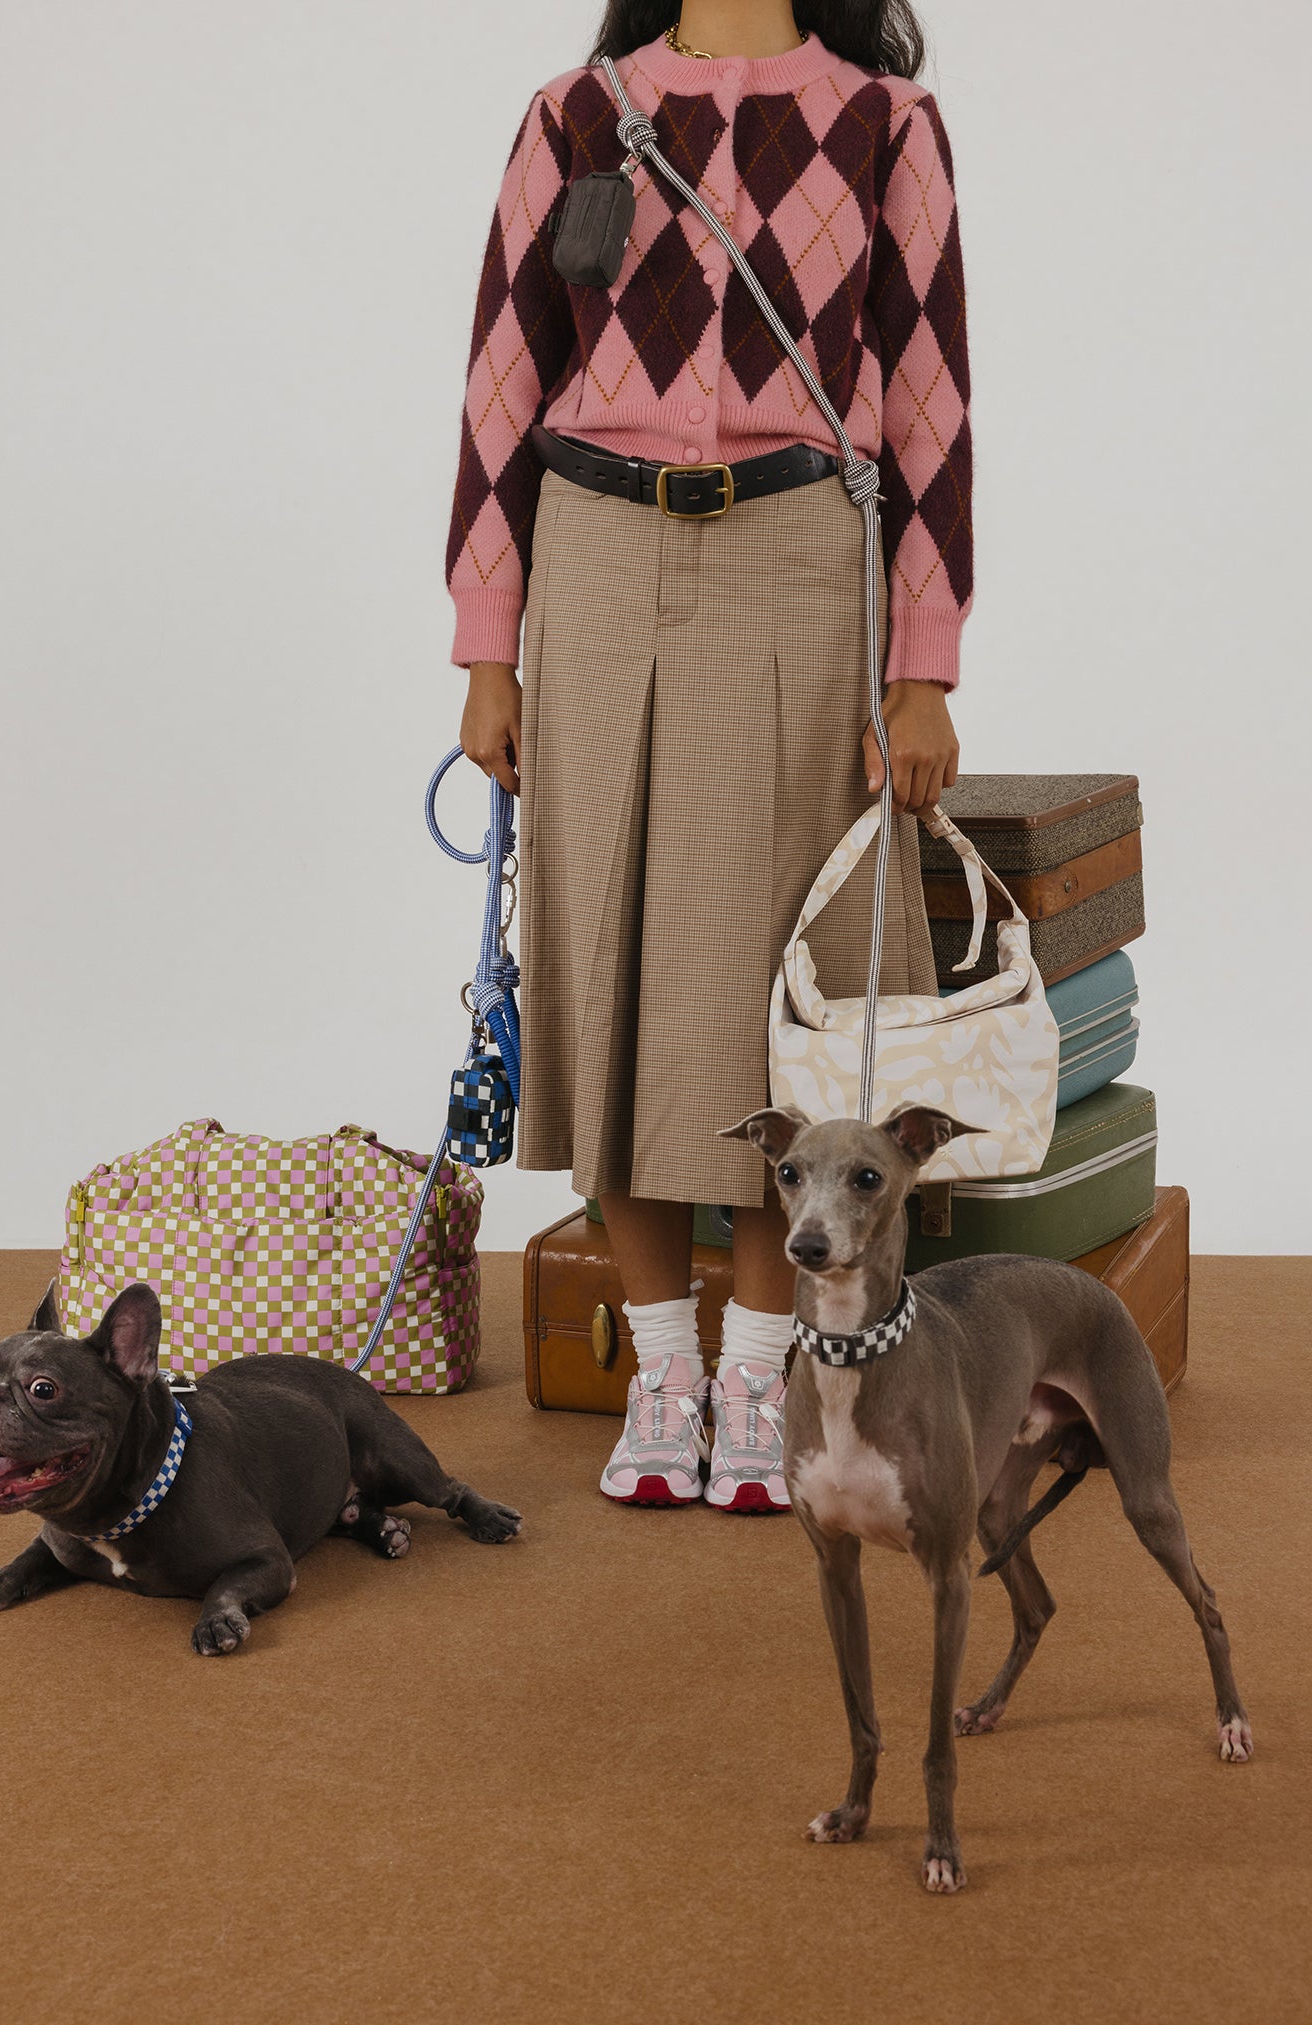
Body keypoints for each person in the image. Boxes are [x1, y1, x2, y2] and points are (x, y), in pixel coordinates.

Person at [446, 0, 969, 1509]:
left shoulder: (885, 124)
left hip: (801, 551)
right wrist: (488, 646)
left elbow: (929, 403)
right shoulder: (573, 114)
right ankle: (660, 1365)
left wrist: (922, 667)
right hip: (597, 555)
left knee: (765, 979)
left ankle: (761, 1372)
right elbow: (502, 381)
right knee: (604, 953)